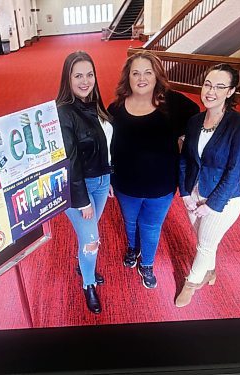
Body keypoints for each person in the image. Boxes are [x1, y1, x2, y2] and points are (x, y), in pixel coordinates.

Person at [108, 51, 199, 289]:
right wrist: (108, 176)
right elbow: (109, 146)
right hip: (125, 183)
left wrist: (184, 143)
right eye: (135, 73)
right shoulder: (115, 108)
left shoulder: (174, 103)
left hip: (162, 185)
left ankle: (146, 264)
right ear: (127, 77)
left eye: (148, 72)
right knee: (129, 221)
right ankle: (132, 248)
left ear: (157, 76)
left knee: (150, 226)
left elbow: (198, 120)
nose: (141, 78)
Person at [176, 63, 240, 307]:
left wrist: (212, 205)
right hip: (195, 192)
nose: (211, 91)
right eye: (208, 84)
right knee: (206, 239)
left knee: (205, 244)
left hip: (224, 200)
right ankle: (209, 272)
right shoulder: (195, 121)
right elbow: (185, 159)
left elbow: (236, 171)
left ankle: (191, 283)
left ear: (230, 92)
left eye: (220, 87)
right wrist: (185, 193)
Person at [56, 51, 113, 314]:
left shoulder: (95, 104)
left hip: (102, 182)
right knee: (92, 240)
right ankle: (88, 283)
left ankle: (83, 266)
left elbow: (104, 145)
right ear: (67, 78)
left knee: (88, 234)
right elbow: (70, 161)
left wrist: (108, 176)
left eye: (89, 74)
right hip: (80, 189)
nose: (85, 81)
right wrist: (81, 201)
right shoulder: (64, 112)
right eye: (78, 75)